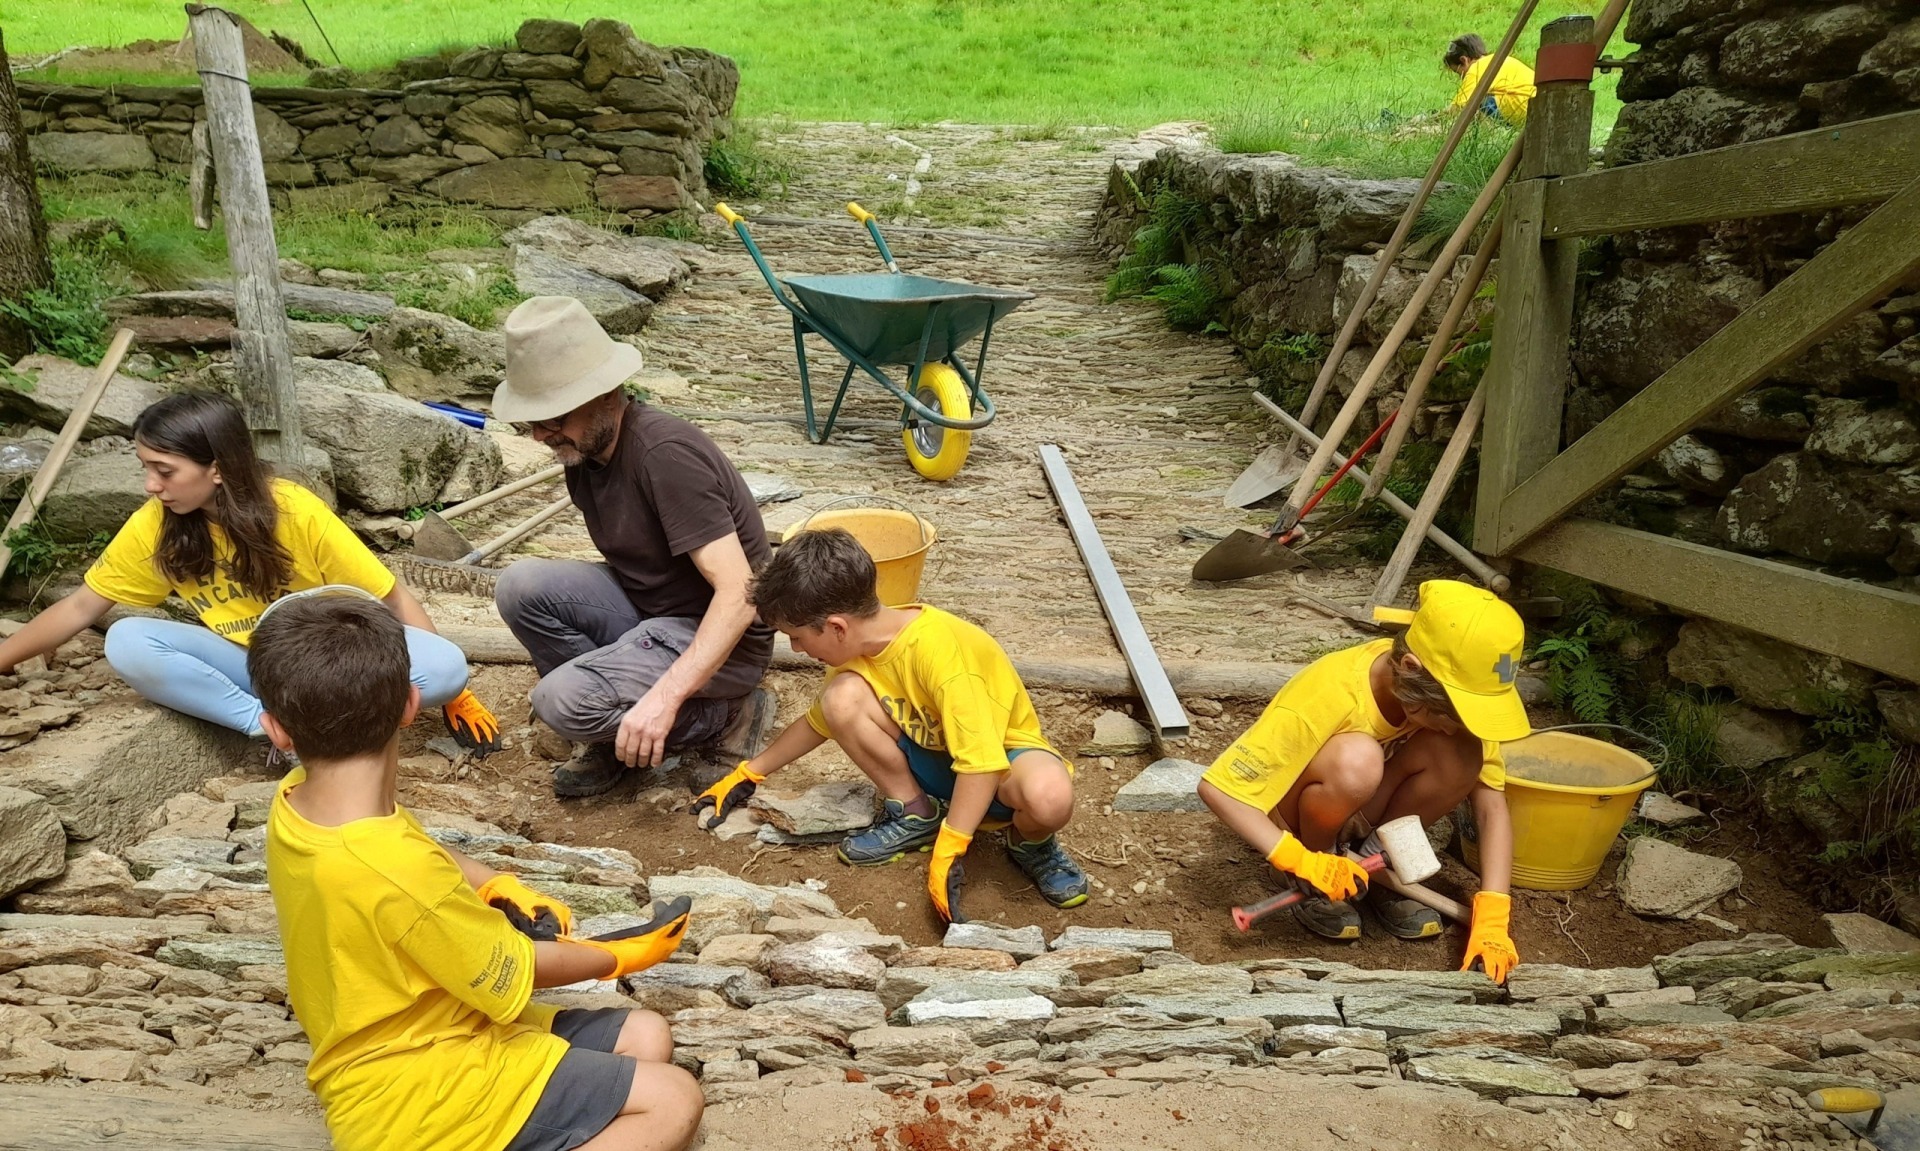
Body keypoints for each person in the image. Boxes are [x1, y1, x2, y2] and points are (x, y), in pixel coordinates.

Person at [254, 590, 701, 1151]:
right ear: (410, 705)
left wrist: (494, 883)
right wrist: (620, 955)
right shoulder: (397, 870)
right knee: (674, 1099)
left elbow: (410, 847)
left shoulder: (300, 798)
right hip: (419, 1089)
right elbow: (518, 968)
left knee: (645, 1034)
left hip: (439, 1027)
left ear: (277, 729)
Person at [0, 392, 500, 760]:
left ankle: (325, 725)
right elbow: (81, 607)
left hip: (332, 664)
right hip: (253, 669)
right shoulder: (157, 523)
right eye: (145, 468)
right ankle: (273, 732)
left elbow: (393, 600)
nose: (151, 485)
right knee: (127, 639)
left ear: (216, 468)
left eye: (165, 471)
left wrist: (456, 695)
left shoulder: (294, 511)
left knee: (445, 667)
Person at [694, 527, 1088, 921]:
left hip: (1000, 770)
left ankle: (1031, 843)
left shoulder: (943, 655)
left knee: (1050, 797)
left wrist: (951, 847)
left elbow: (982, 764)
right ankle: (917, 813)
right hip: (936, 763)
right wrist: (749, 773)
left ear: (836, 627)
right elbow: (819, 722)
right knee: (840, 698)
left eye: (796, 637)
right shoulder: (856, 650)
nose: (797, 649)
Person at [491, 296, 775, 799]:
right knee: (520, 585)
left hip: (720, 636)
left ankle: (727, 712)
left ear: (606, 395)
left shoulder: (664, 456)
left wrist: (665, 697)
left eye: (554, 417)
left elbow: (741, 592)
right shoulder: (585, 451)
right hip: (649, 611)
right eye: (532, 420)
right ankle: (610, 730)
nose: (539, 435)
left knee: (560, 703)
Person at [1196, 579, 1526, 983]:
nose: (1453, 726)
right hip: (1304, 814)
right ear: (1410, 670)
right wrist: (1298, 858)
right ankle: (1317, 872)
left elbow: (1491, 808)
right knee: (1357, 760)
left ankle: (1375, 865)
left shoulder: (1465, 697)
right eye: (1448, 715)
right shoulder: (1332, 689)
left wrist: (1494, 915)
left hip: (1367, 812)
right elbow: (1219, 789)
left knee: (1464, 752)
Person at [1444, 33, 1536, 125]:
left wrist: (1438, 118)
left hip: (1522, 108)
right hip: (1536, 106)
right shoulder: (1499, 59)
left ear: (1464, 60)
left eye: (1459, 73)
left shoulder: (1477, 68)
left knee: (1475, 104)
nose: (1461, 78)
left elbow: (1459, 106)